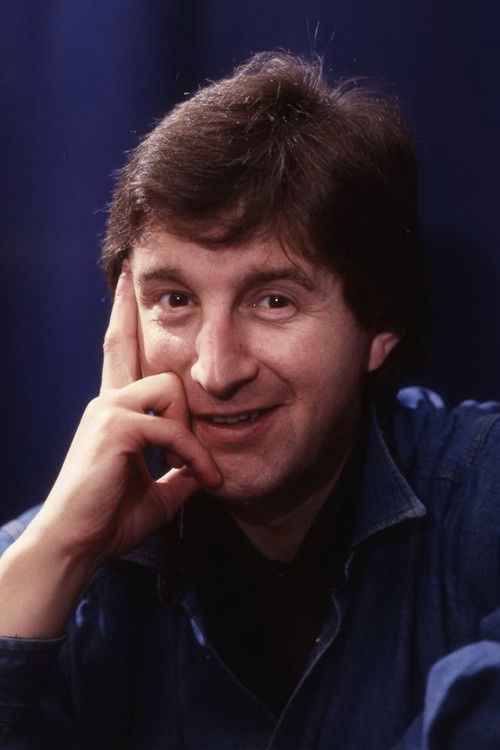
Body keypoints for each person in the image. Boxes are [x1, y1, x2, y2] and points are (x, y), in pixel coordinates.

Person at [0, 51, 499, 750]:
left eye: (273, 301)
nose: (216, 369)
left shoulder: (483, 492)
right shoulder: (49, 552)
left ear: (379, 326)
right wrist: (59, 551)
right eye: (174, 300)